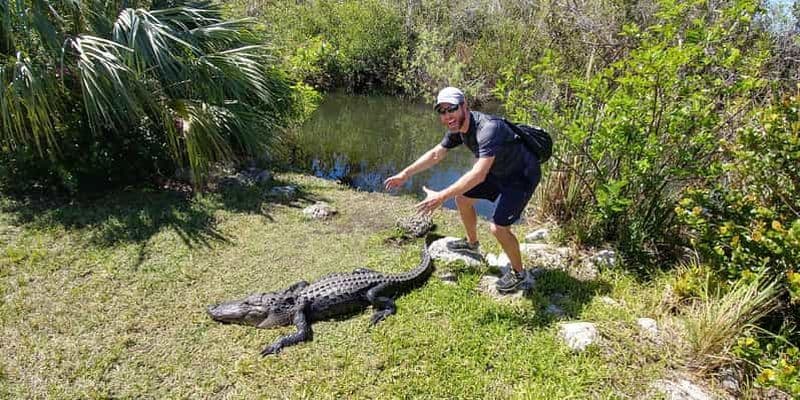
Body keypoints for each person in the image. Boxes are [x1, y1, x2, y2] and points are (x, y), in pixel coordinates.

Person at [383, 87, 542, 293]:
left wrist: (441, 196)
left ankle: (520, 274)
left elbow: (478, 174)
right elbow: (435, 155)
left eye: (452, 109)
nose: (448, 116)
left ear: (465, 106)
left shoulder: (488, 129)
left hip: (521, 176)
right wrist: (405, 174)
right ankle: (472, 243)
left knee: (498, 227)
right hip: (498, 170)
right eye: (442, 111)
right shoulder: (458, 129)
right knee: (463, 198)